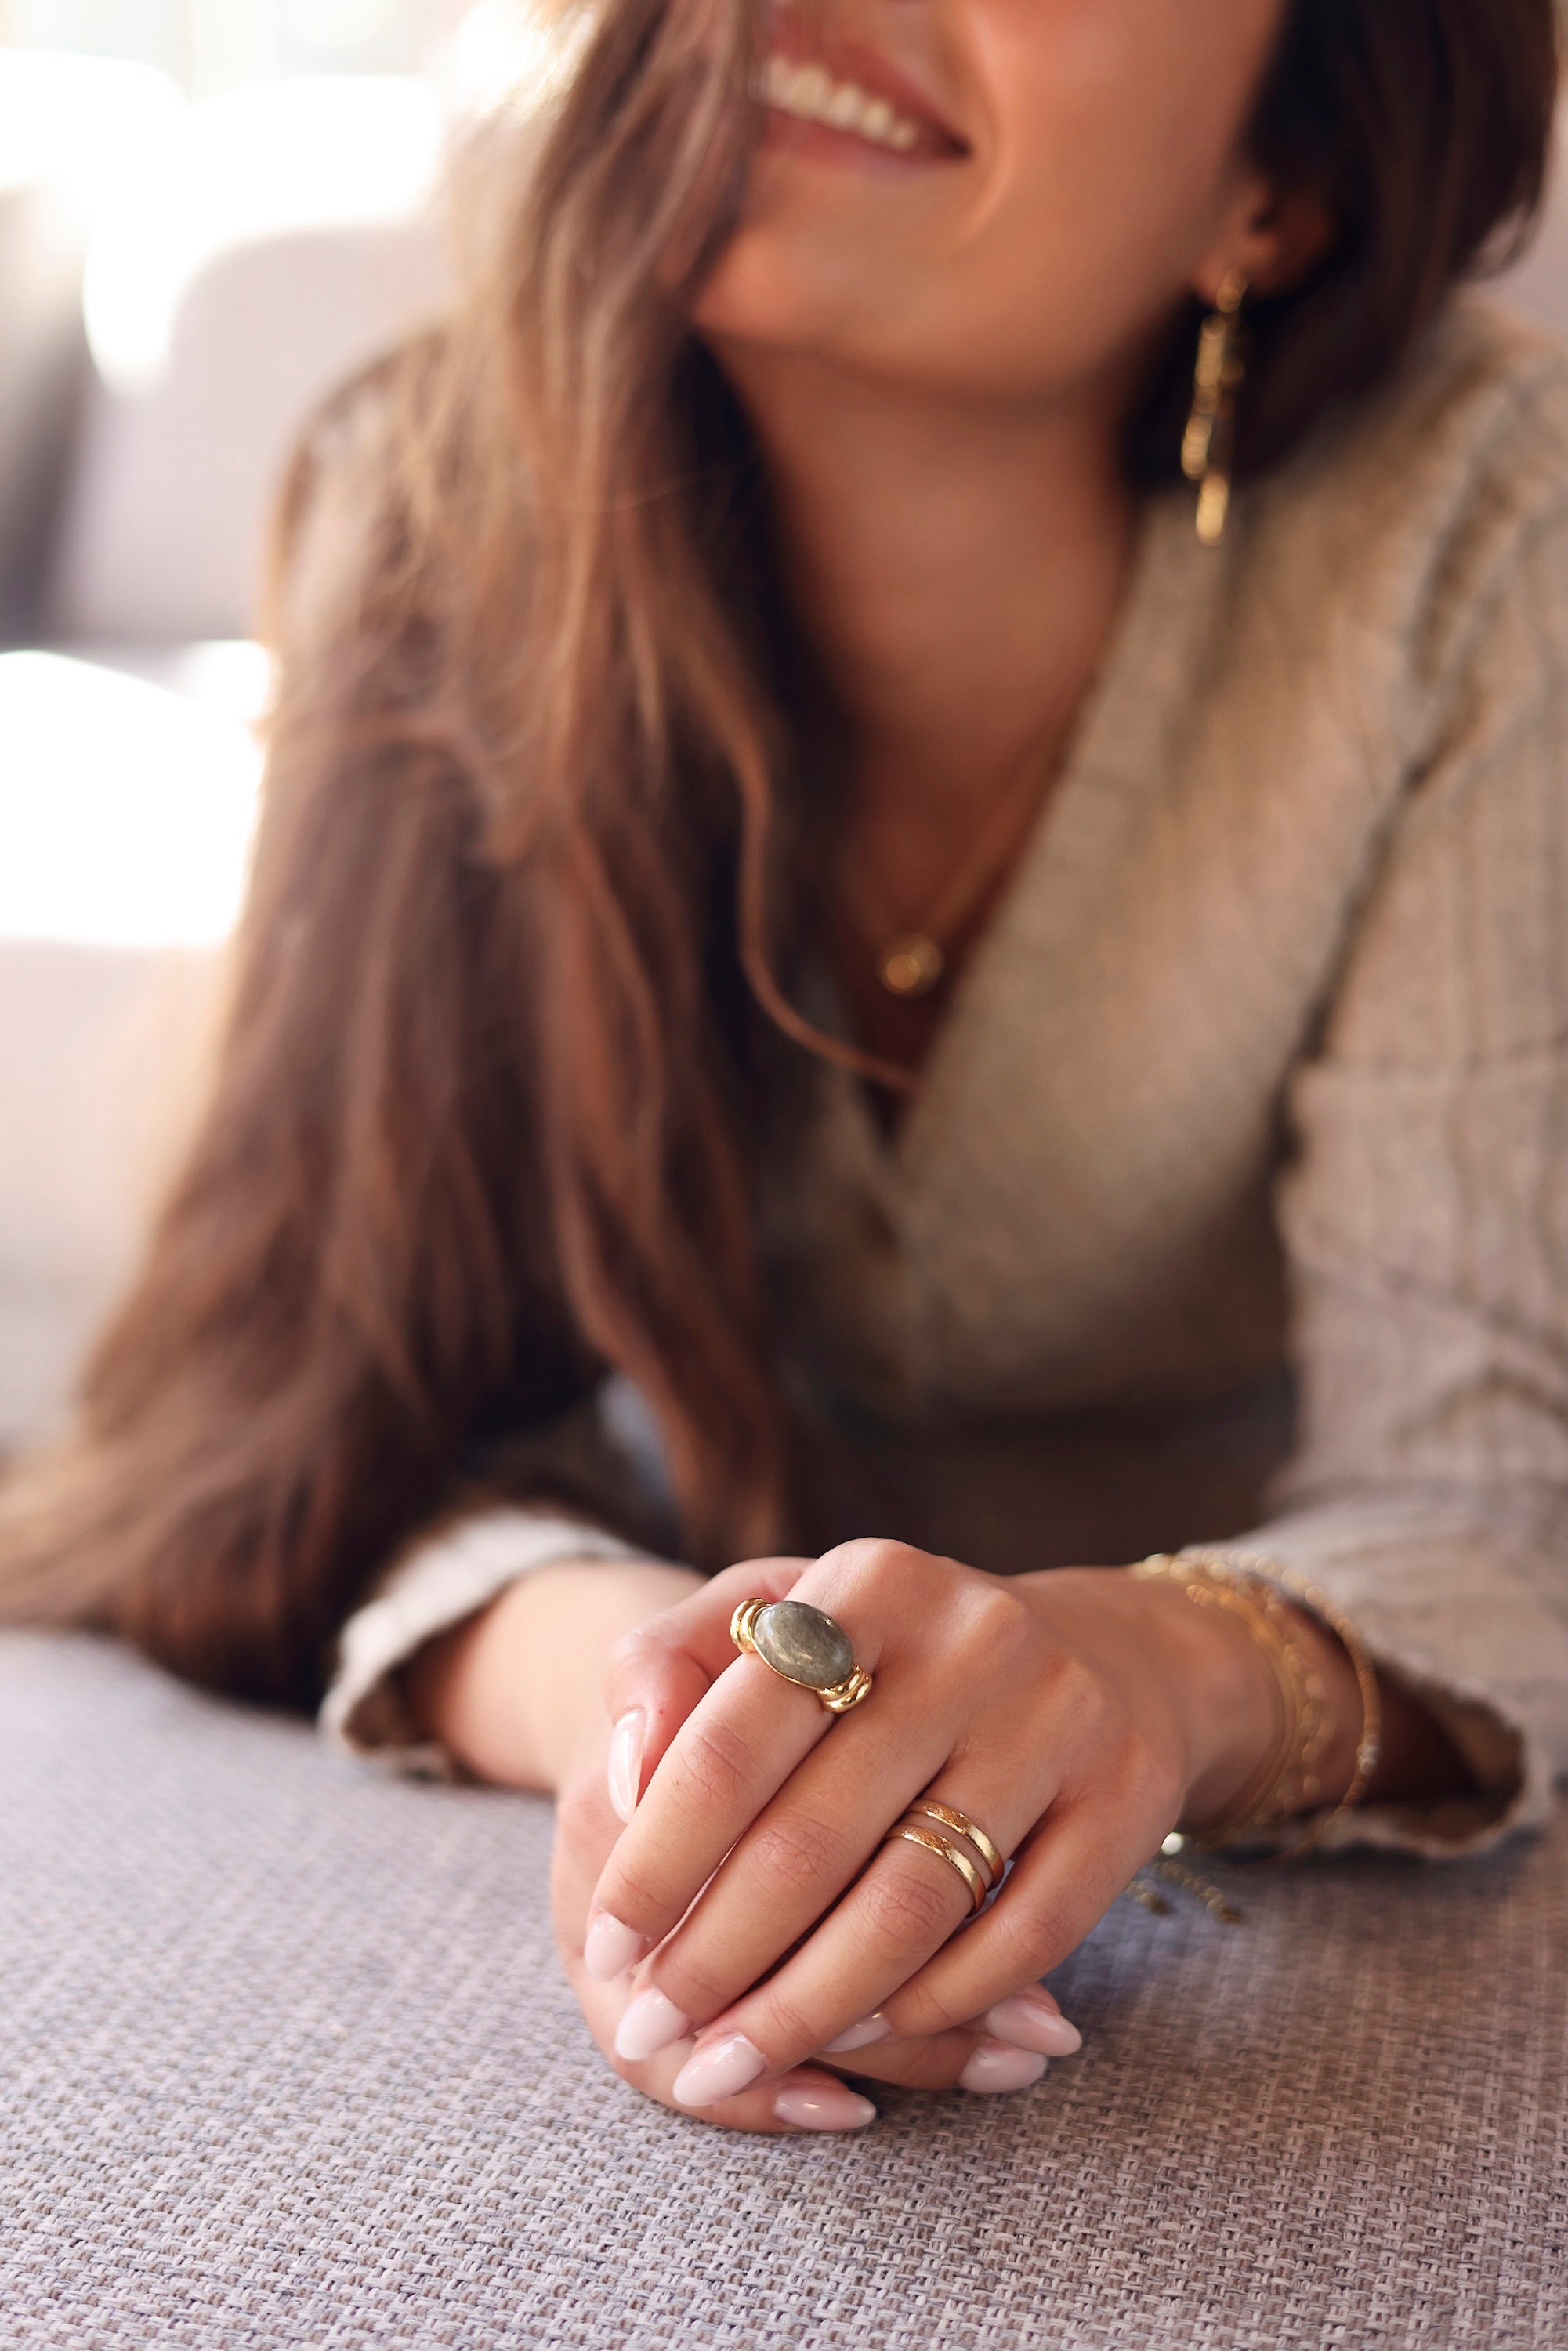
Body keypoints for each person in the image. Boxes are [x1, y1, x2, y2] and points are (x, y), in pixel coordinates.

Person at [2, 0, 1563, 2138]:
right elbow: (302, 1435)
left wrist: (1153, 1673)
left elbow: (1494, 1504)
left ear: (1272, 198)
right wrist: (679, 1722)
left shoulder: (1484, 546)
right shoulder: (432, 493)